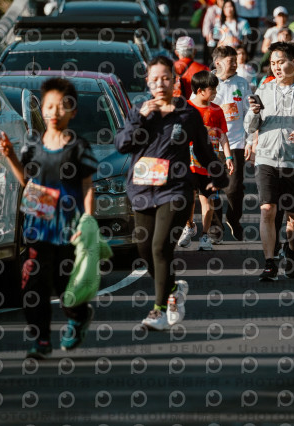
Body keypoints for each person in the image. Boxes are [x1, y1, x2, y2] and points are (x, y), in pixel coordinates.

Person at [116, 56, 228, 331]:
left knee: (160, 246)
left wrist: (219, 176)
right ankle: (174, 289)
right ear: (147, 82)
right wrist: (139, 119)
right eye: (154, 79)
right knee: (145, 249)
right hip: (143, 189)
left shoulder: (187, 113)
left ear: (175, 81)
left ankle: (159, 310)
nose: (160, 84)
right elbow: (122, 145)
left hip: (176, 190)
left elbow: (204, 150)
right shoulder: (140, 111)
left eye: (165, 78)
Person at [0, 77, 98, 358]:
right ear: (42, 109)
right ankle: (40, 339)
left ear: (73, 111)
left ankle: (78, 316)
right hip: (37, 225)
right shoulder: (33, 145)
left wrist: (88, 221)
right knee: (33, 283)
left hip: (68, 227)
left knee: (65, 284)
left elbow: (88, 188)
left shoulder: (79, 147)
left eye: (62, 106)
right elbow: (25, 181)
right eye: (49, 106)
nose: (54, 112)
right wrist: (10, 156)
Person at [244, 42, 294, 281]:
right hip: (266, 157)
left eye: (281, 62)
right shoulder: (264, 88)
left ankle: (292, 250)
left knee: (293, 216)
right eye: (273, 63)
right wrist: (254, 113)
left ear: (293, 63)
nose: (276, 67)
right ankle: (269, 262)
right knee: (267, 209)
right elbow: (250, 126)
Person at [179, 71, 234, 251]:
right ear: (200, 90)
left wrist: (228, 157)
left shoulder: (217, 110)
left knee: (208, 202)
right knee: (188, 200)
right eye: (212, 89)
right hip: (189, 162)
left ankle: (204, 235)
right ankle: (189, 226)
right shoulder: (186, 108)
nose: (215, 93)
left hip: (210, 162)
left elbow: (223, 136)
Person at [211, 45, 252, 241]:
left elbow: (249, 112)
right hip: (211, 145)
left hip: (236, 143)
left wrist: (251, 140)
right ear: (218, 62)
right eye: (231, 61)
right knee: (212, 188)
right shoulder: (207, 81)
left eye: (236, 60)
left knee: (234, 188)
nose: (235, 64)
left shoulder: (242, 83)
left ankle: (233, 218)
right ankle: (215, 226)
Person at [173, 36, 210, 100]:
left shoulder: (169, 69)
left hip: (176, 104)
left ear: (176, 53)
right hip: (195, 105)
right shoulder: (204, 69)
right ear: (195, 51)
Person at [202, 0, 224, 65]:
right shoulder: (212, 9)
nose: (222, 2)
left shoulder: (227, 9)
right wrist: (208, 34)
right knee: (210, 55)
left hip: (223, 36)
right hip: (213, 35)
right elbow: (207, 23)